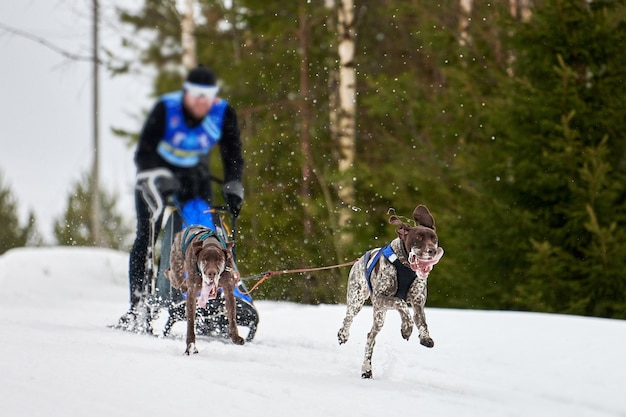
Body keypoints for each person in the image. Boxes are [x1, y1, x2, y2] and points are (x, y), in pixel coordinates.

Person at [118, 65, 244, 331]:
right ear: (185, 93)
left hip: (193, 177)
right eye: (196, 95)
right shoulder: (167, 109)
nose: (201, 102)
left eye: (207, 96)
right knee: (146, 235)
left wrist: (234, 182)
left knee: (205, 232)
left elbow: (232, 153)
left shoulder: (222, 113)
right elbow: (143, 153)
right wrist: (158, 174)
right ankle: (138, 305)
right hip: (155, 176)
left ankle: (207, 297)